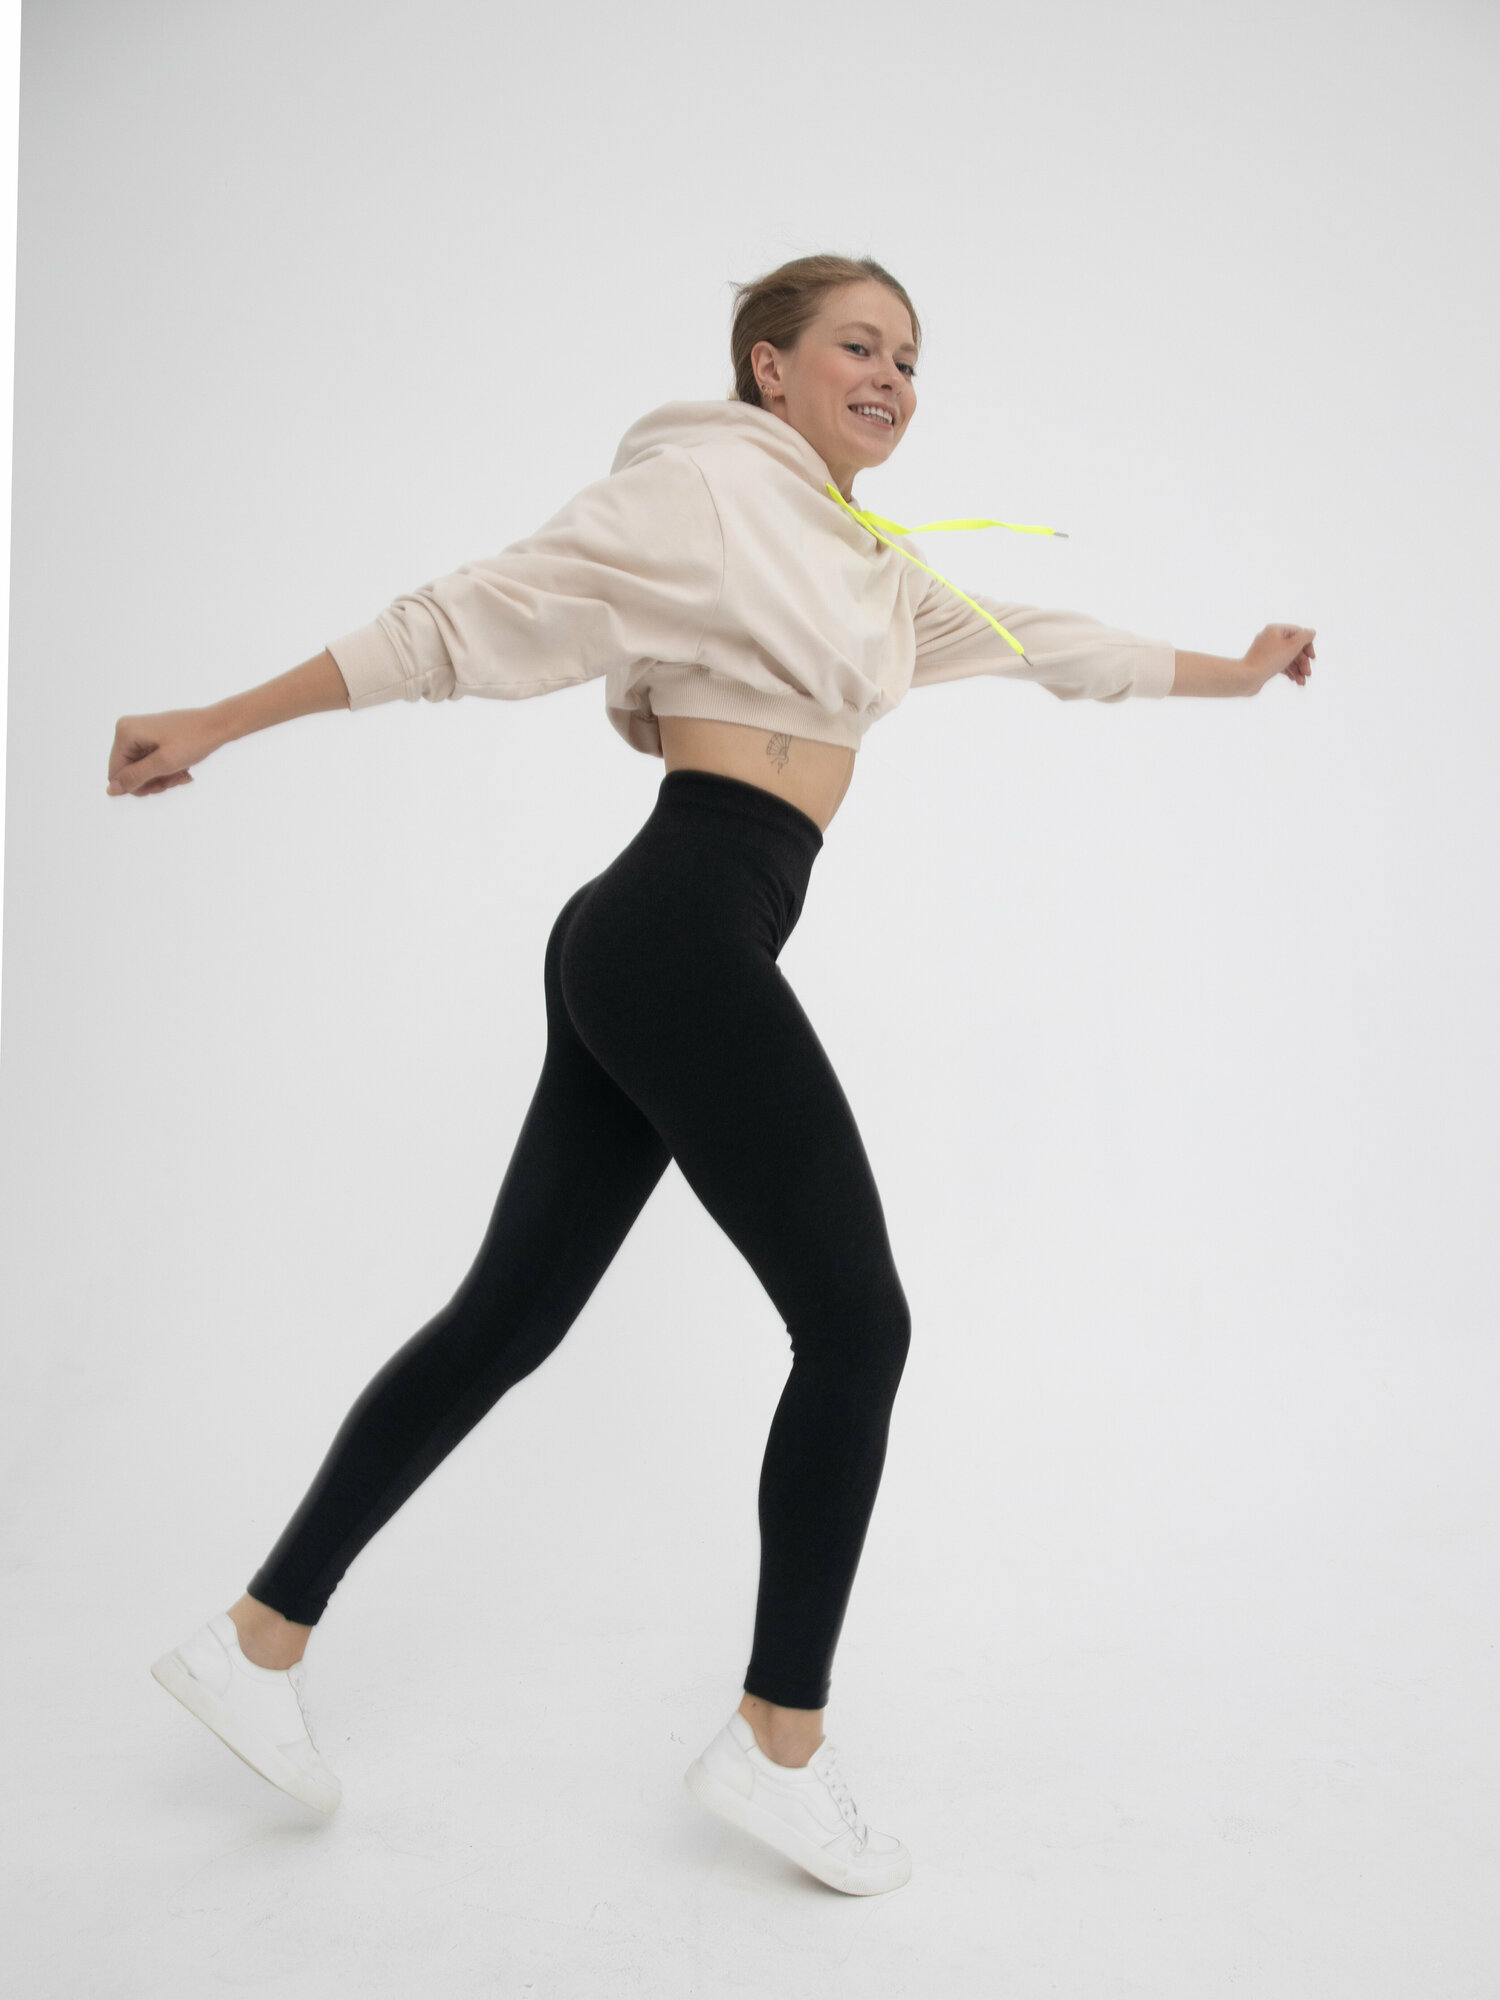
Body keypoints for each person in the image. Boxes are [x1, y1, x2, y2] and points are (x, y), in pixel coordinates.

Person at [109, 252, 1315, 1897]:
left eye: (911, 358)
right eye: (858, 346)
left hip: (658, 938)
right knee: (858, 1327)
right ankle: (778, 1743)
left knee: (508, 1318)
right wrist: (221, 718)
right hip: (674, 933)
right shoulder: (704, 491)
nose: (891, 377)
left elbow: (1045, 641)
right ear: (769, 367)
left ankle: (254, 1645)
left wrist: (1231, 671)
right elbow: (471, 615)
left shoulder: (872, 568)